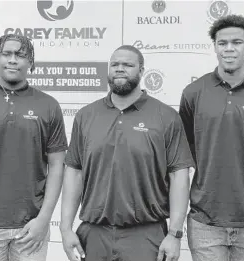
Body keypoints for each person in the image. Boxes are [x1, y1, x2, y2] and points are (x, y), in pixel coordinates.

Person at [60, 45, 195, 261]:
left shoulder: (166, 117)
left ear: (141, 71)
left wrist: (174, 234)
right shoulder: (86, 116)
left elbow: (179, 176)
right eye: (114, 64)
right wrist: (66, 228)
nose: (120, 69)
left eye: (128, 65)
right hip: (93, 234)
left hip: (146, 236)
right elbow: (74, 172)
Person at [179, 14, 244, 261]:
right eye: (222, 43)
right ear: (214, 46)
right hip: (205, 222)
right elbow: (183, 156)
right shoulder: (193, 93)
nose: (229, 49)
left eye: (237, 42)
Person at [0, 34, 68, 261]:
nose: (12, 60)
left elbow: (57, 166)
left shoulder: (48, 106)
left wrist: (43, 219)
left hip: (31, 228)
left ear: (31, 62)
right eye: (6, 53)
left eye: (20, 55)